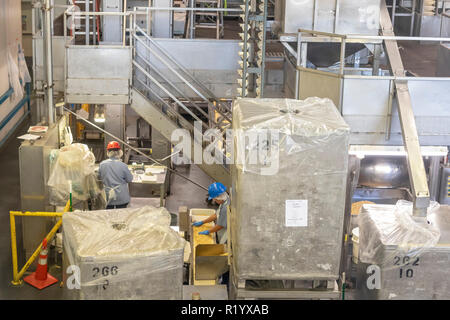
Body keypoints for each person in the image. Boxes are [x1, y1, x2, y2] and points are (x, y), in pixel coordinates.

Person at [192, 182, 230, 287]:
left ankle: (225, 283)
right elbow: (216, 215)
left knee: (226, 261)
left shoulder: (227, 206)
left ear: (219, 197)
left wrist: (208, 231)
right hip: (221, 234)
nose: (214, 201)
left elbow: (221, 225)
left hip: (227, 237)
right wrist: (203, 222)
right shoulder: (225, 201)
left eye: (214, 199)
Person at [98, 141, 133, 209]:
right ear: (119, 152)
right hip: (121, 198)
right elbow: (129, 179)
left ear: (108, 152)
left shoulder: (102, 164)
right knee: (121, 217)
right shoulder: (123, 165)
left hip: (108, 197)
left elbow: (99, 177)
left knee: (108, 217)